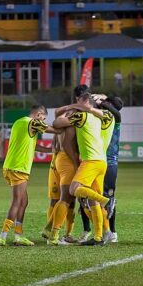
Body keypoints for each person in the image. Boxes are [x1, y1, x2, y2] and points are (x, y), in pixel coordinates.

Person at [53, 85, 110, 246]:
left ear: (83, 102)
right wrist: (86, 106)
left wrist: (74, 107)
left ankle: (105, 200)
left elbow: (57, 123)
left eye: (79, 101)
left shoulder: (81, 117)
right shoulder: (102, 117)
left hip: (90, 161)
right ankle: (99, 237)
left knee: (73, 190)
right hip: (102, 161)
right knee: (92, 201)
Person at [0, 105, 57, 246]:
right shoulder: (32, 122)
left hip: (10, 166)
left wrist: (51, 150)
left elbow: (33, 146)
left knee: (23, 202)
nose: (43, 121)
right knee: (17, 201)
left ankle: (18, 235)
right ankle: (2, 236)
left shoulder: (19, 122)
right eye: (43, 118)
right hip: (19, 168)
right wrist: (67, 127)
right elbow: (53, 130)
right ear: (38, 114)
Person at [42, 110, 80, 246]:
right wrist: (75, 161)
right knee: (66, 198)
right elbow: (63, 145)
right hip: (66, 162)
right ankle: (53, 232)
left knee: (62, 199)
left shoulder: (60, 126)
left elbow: (55, 146)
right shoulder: (70, 125)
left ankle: (58, 232)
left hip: (57, 161)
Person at [95, 94, 124, 243]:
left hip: (110, 163)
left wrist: (101, 101)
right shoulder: (103, 117)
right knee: (95, 196)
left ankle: (112, 232)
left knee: (108, 198)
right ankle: (98, 231)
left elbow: (117, 112)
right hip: (96, 160)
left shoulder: (116, 118)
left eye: (106, 103)